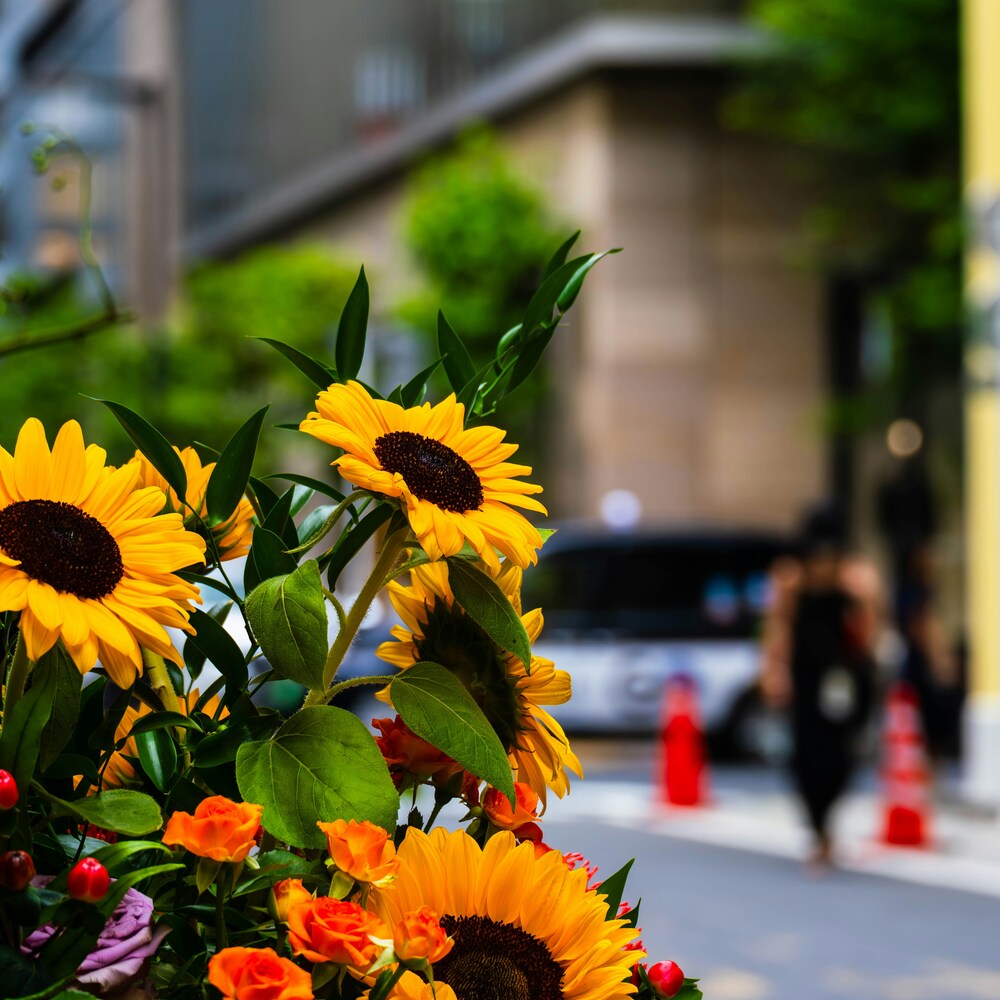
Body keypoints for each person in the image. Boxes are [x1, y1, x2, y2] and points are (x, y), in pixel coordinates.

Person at [760, 506, 881, 868]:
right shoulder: (791, 579)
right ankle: (819, 831)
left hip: (847, 682)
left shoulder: (855, 578)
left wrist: (863, 598)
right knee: (804, 760)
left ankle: (827, 826)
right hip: (808, 683)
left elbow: (874, 627)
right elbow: (777, 627)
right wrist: (774, 670)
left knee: (842, 758)